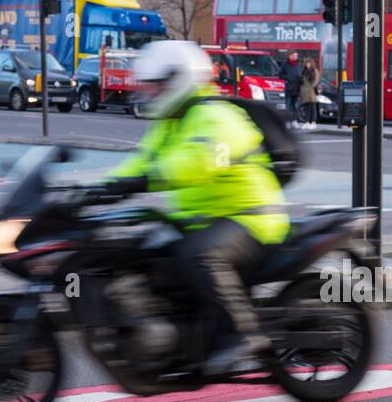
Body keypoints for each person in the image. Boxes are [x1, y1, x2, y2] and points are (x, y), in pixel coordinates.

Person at [106, 41, 290, 376]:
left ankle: (241, 335)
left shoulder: (216, 115)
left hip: (249, 217)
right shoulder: (169, 122)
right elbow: (142, 160)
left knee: (197, 255)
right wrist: (101, 187)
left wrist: (146, 180)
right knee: (146, 253)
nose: (148, 93)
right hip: (203, 219)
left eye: (155, 86)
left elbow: (201, 161)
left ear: (178, 80)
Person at [278, 51, 303, 128]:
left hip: (297, 88)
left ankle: (294, 121)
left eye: (296, 55)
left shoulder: (299, 64)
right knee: (288, 107)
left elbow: (301, 74)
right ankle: (287, 121)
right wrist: (288, 78)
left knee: (295, 106)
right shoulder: (285, 64)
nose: (295, 57)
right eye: (294, 55)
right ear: (290, 56)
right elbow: (280, 75)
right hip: (289, 89)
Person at [299, 58, 319, 130]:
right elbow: (301, 81)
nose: (308, 65)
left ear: (312, 64)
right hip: (304, 92)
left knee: (313, 107)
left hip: (312, 92)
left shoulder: (315, 71)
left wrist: (311, 87)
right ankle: (307, 122)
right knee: (307, 108)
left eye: (309, 63)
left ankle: (313, 123)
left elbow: (316, 81)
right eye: (307, 63)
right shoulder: (304, 72)